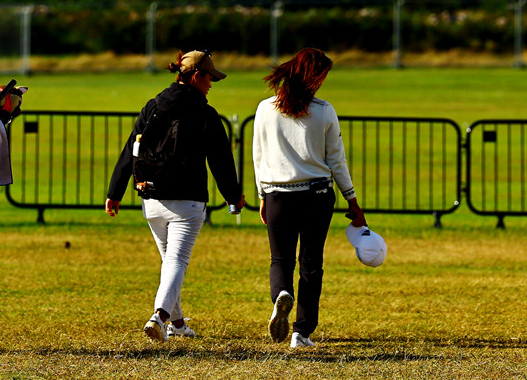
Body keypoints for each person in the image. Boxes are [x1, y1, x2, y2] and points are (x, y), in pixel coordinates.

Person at [105, 49, 245, 342]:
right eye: (209, 78)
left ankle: (177, 324)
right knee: (177, 262)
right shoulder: (206, 114)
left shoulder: (153, 106)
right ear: (195, 77)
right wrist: (233, 195)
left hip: (151, 198)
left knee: (170, 262)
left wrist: (115, 191)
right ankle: (159, 317)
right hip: (187, 201)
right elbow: (220, 159)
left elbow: (131, 147)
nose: (211, 84)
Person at [252, 47, 365, 349]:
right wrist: (352, 199)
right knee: (311, 264)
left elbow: (258, 156)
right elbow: (336, 160)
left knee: (280, 259)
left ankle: (281, 295)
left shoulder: (264, 109)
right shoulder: (324, 111)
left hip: (277, 195)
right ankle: (301, 333)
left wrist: (262, 195)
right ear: (313, 76)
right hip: (316, 196)